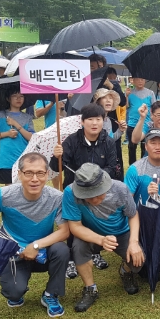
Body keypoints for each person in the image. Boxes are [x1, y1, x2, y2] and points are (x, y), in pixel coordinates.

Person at [0, 153, 70, 317]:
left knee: (61, 250)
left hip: (43, 252)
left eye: (40, 173)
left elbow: (64, 231)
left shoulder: (57, 198)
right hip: (13, 253)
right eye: (28, 173)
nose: (34, 179)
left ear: (47, 174)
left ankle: (51, 294)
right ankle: (17, 288)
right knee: (13, 293)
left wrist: (35, 245)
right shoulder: (3, 195)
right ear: (19, 174)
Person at [63, 163, 145, 312]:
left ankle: (125, 271)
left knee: (138, 261)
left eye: (98, 193)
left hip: (120, 232)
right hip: (90, 233)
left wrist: (134, 242)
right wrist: (100, 239)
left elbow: (133, 215)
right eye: (88, 195)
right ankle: (90, 288)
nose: (94, 199)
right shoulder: (70, 192)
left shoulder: (120, 188)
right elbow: (75, 226)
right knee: (78, 248)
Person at [50, 103, 118, 278]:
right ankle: (71, 260)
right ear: (82, 121)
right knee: (73, 223)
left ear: (103, 121)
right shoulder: (71, 141)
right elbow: (57, 167)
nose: (94, 123)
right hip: (74, 190)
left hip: (98, 191)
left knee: (95, 222)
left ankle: (95, 252)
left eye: (98, 119)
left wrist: (96, 180)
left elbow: (112, 167)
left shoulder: (108, 141)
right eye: (90, 119)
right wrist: (56, 156)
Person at [0, 89, 35, 185]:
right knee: (9, 189)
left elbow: (32, 138)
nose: (18, 99)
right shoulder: (0, 115)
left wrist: (16, 124)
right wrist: (7, 134)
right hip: (6, 160)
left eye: (21, 96)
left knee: (24, 187)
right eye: (14, 96)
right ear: (8, 99)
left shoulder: (27, 117)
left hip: (24, 159)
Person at [124, 129, 160, 206]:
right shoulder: (135, 170)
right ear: (146, 146)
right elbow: (126, 202)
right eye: (153, 143)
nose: (157, 147)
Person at [94, 88, 127, 175]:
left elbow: (110, 139)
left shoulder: (108, 120)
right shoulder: (93, 119)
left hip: (107, 160)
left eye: (111, 98)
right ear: (98, 101)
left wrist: (120, 130)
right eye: (104, 97)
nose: (108, 100)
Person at [125, 76, 155, 165]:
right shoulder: (130, 92)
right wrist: (126, 96)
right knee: (131, 148)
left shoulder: (150, 93)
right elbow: (126, 106)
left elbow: (154, 108)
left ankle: (144, 165)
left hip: (146, 124)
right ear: (133, 80)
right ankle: (132, 167)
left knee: (145, 147)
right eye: (137, 79)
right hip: (132, 124)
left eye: (142, 79)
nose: (140, 81)